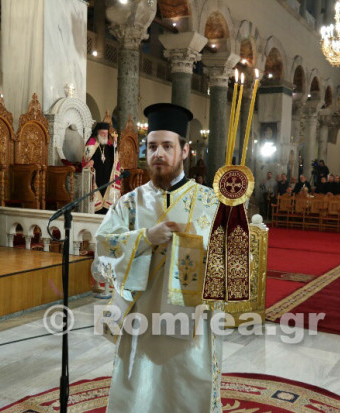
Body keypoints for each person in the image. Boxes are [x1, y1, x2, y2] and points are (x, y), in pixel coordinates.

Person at [93, 103, 222, 412]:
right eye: (152, 147)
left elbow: (227, 260)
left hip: (190, 321)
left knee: (189, 388)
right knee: (139, 389)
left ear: (185, 150)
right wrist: (146, 237)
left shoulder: (211, 202)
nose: (158, 154)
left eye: (167, 146)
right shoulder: (129, 203)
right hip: (142, 318)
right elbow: (104, 245)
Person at [82, 122, 121, 214]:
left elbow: (114, 156)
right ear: (97, 133)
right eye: (102, 133)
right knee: (97, 193)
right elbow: (87, 157)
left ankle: (106, 211)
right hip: (96, 175)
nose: (105, 135)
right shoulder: (91, 142)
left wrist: (115, 143)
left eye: (106, 133)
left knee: (106, 192)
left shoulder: (108, 144)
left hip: (107, 175)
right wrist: (91, 160)